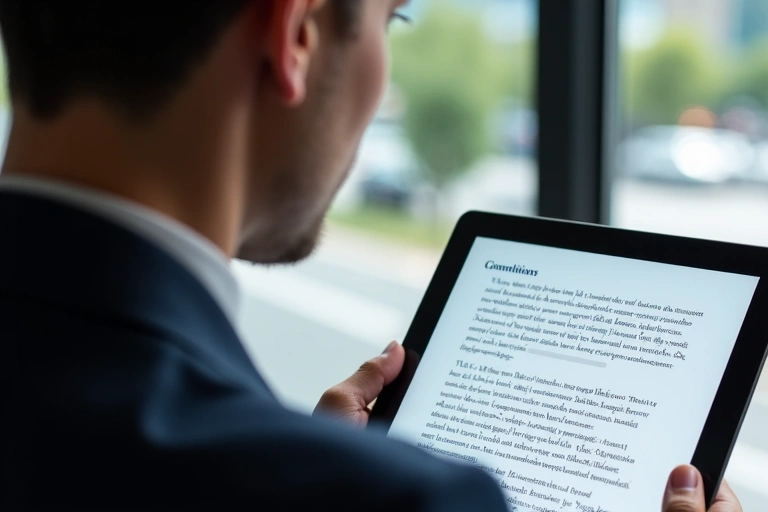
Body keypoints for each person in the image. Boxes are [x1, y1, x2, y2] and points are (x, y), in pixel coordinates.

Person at [0, 1, 742, 510]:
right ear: (297, 33)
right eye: (392, 18)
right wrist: (324, 482)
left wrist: (302, 463)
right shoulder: (405, 501)